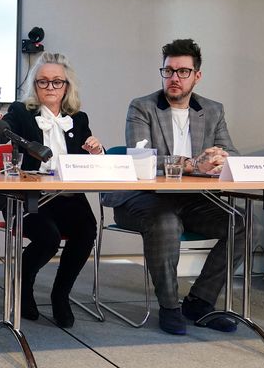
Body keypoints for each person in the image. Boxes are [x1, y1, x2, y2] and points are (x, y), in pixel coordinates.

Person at [101, 38, 245, 335]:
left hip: (192, 200)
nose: (174, 78)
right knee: (166, 221)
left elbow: (233, 153)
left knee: (241, 222)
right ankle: (169, 306)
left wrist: (221, 158)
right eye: (168, 71)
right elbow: (142, 158)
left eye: (182, 71)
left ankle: (200, 301)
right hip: (140, 199)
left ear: (197, 76)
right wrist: (194, 164)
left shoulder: (213, 110)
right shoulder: (142, 107)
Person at [0, 52, 103, 327]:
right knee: (48, 237)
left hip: (67, 197)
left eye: (56, 82)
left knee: (86, 230)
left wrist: (97, 150)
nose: (49, 87)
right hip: (26, 198)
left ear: (67, 86)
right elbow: (3, 127)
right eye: (43, 82)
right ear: (34, 85)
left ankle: (61, 294)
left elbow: (87, 160)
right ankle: (23, 288)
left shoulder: (79, 119)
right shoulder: (22, 113)